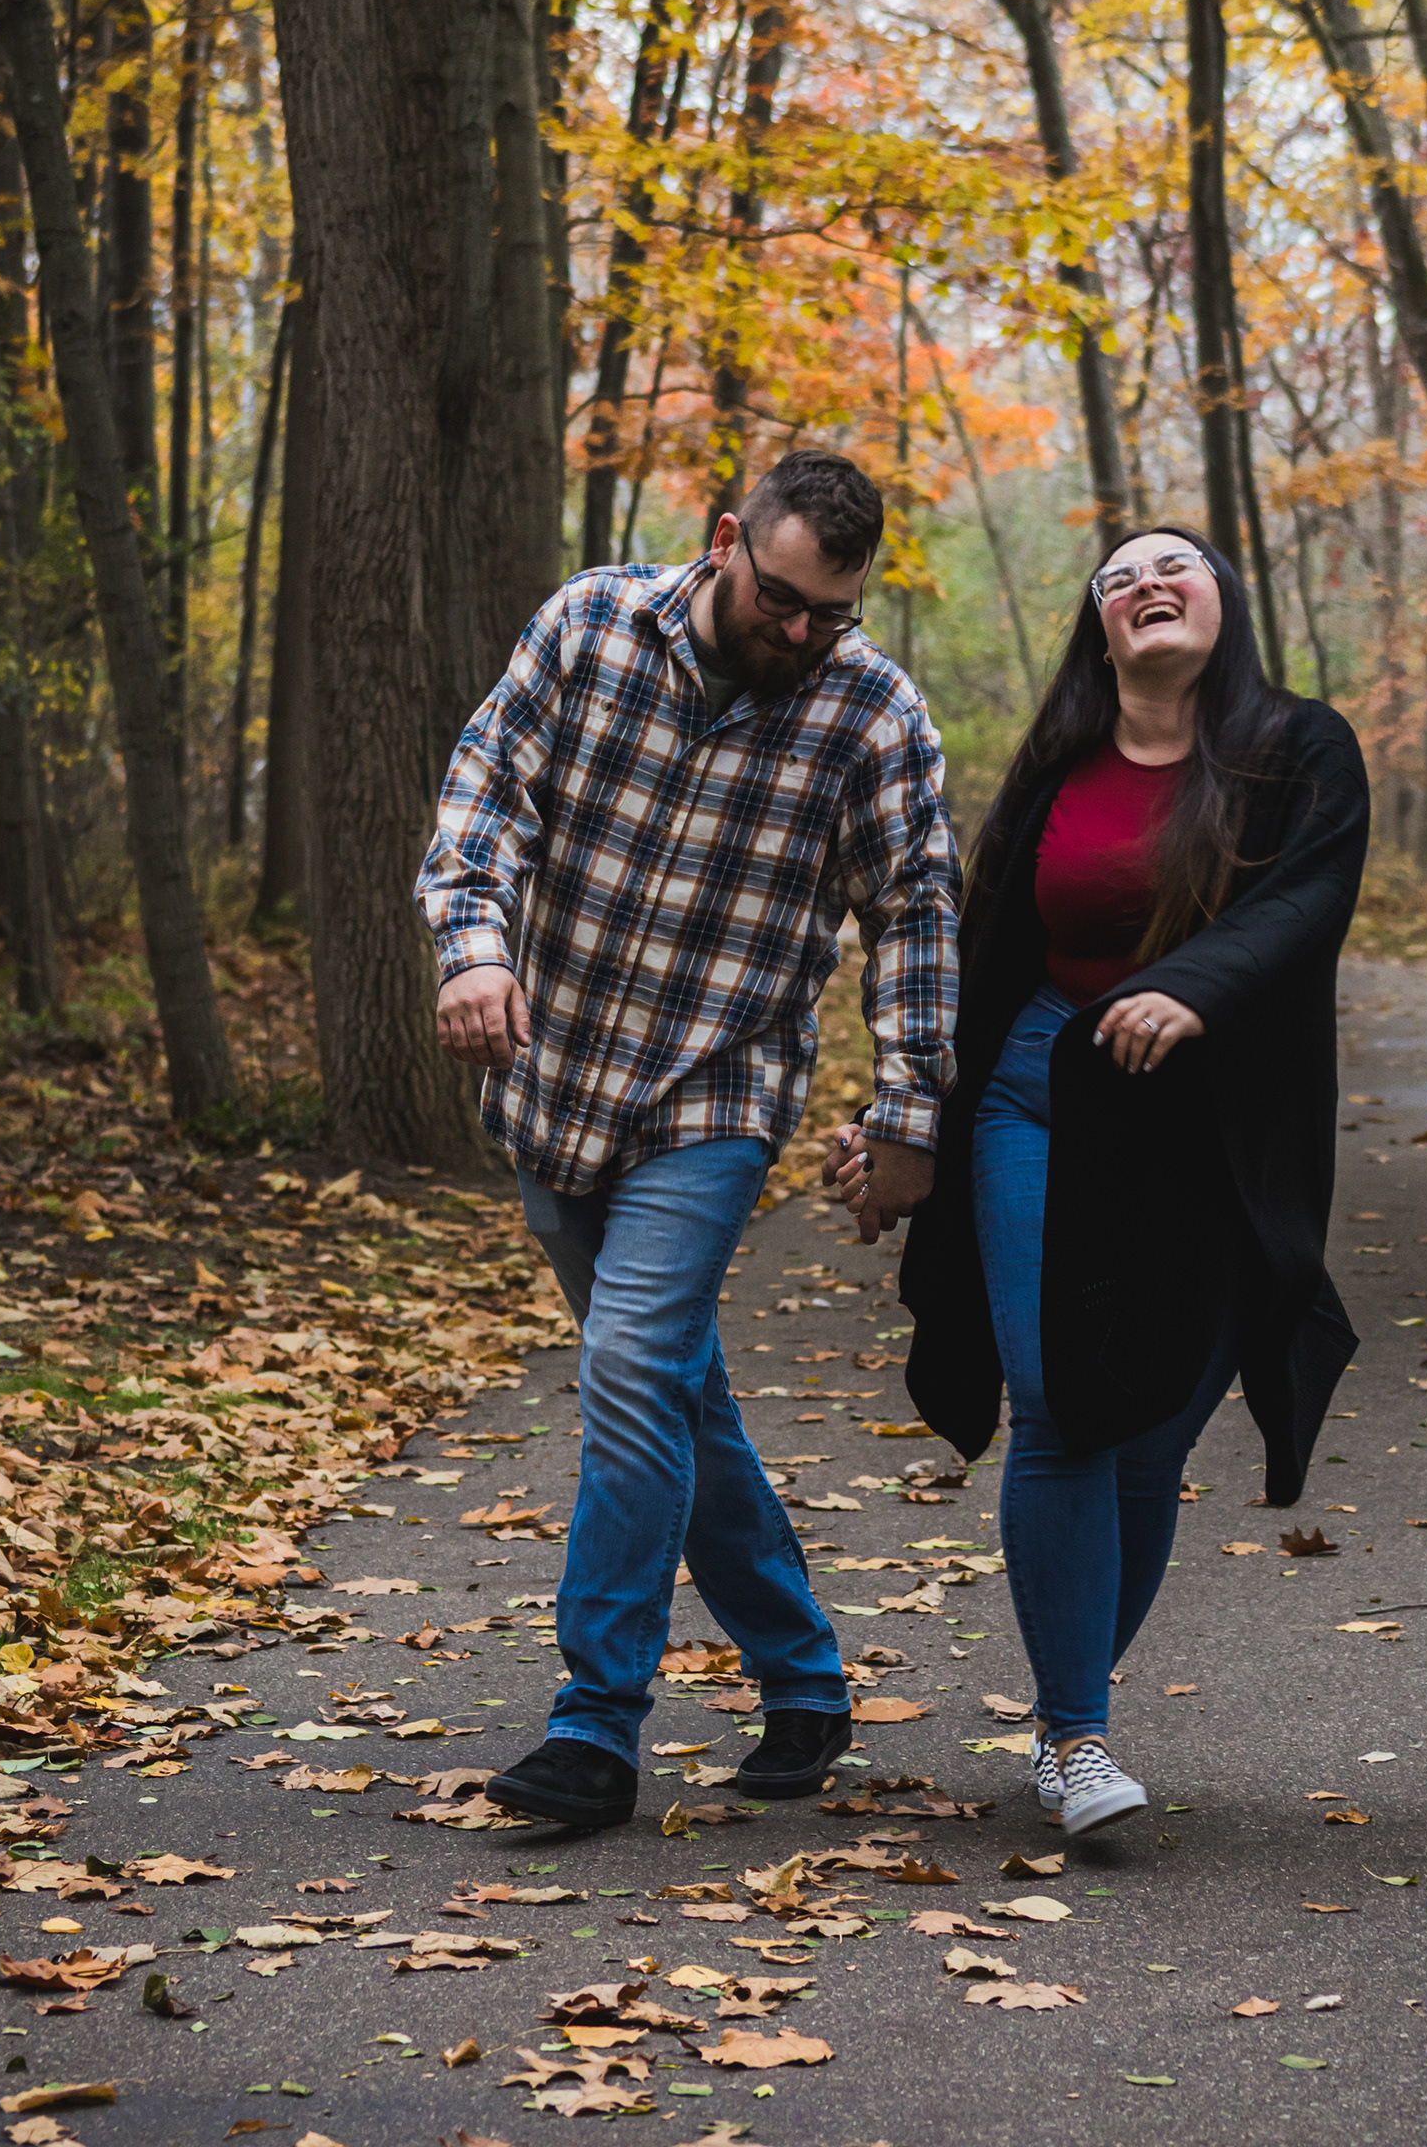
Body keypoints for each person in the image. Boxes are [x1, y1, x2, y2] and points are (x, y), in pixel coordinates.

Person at [418, 451, 958, 1833]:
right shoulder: (590, 625)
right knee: (671, 1398)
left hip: (715, 1100)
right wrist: (473, 952)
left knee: (629, 1370)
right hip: (555, 1088)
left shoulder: (873, 714)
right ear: (725, 542)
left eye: (827, 615)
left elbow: (916, 923)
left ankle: (596, 1728)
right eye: (780, 599)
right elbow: (484, 796)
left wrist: (910, 1115)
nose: (799, 634)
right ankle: (805, 1676)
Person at [834, 525, 1368, 1837]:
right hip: (1039, 1093)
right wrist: (905, 1117)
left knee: (1147, 1433)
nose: (1146, 584)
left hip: (1210, 1132)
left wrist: (1192, 986)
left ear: (1224, 603)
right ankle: (1076, 1736)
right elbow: (975, 944)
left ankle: (1070, 1702)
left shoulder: (1301, 749)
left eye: (1173, 565)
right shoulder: (1062, 766)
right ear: (1100, 625)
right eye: (1118, 575)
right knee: (1064, 1403)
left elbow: (1307, 901)